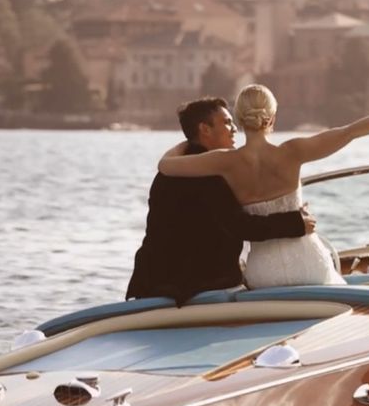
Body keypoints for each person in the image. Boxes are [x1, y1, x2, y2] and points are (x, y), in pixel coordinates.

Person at [157, 84, 369, 288]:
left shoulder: (224, 161)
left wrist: (183, 145)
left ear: (239, 120)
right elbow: (350, 132)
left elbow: (166, 165)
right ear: (271, 118)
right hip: (308, 265)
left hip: (263, 274)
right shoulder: (292, 152)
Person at [127, 96, 315, 305]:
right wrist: (295, 222)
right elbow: (239, 226)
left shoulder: (168, 171)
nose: (235, 128)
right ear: (205, 129)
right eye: (227, 122)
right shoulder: (212, 175)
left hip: (150, 283)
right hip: (197, 286)